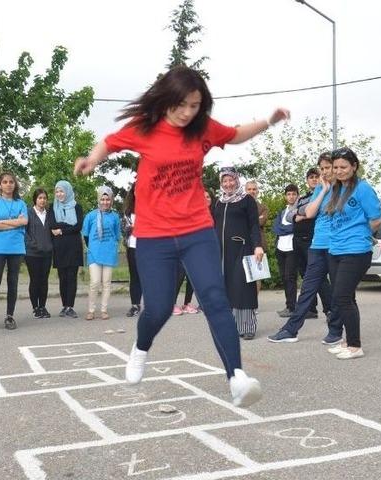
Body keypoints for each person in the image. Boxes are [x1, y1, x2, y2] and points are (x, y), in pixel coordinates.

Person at [74, 65, 289, 407]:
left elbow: (234, 133)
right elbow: (110, 143)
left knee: (215, 298)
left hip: (196, 229)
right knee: (157, 308)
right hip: (155, 235)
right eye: (183, 105)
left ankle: (236, 376)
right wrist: (91, 159)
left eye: (195, 105)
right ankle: (141, 348)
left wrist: (268, 121)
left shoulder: (201, 129)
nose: (189, 112)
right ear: (168, 99)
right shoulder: (145, 127)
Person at [267, 154, 346, 347]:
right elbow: (310, 211)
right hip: (317, 245)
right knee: (308, 288)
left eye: (329, 168)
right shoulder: (321, 188)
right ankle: (290, 329)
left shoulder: (345, 189)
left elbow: (311, 212)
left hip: (336, 245)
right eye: (323, 169)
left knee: (337, 291)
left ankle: (335, 331)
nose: (326, 172)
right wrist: (322, 190)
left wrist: (302, 211)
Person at [322, 148, 381, 359]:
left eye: (343, 167)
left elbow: (376, 219)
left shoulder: (363, 188)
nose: (339, 171)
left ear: (354, 166)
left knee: (341, 296)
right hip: (335, 249)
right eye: (336, 167)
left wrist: (363, 234)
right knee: (345, 297)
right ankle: (348, 340)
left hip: (356, 250)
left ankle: (355, 346)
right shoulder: (334, 190)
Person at [213, 167, 263, 340]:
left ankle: (247, 327)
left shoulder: (246, 200)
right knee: (225, 287)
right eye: (224, 181)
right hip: (221, 252)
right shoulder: (218, 202)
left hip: (242, 249)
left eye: (231, 180)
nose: (228, 184)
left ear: (237, 180)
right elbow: (213, 226)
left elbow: (254, 225)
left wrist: (257, 246)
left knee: (243, 288)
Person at [0, 172, 28, 330]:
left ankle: (10, 316)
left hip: (16, 248)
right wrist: (15, 223)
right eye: (5, 182)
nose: (8, 184)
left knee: (13, 282)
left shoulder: (21, 203)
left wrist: (2, 221)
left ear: (15, 184)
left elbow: (25, 221)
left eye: (11, 182)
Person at [292, 167, 331, 319]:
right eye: (311, 177)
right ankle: (311, 309)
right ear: (307, 180)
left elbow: (308, 212)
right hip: (298, 241)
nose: (314, 179)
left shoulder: (325, 194)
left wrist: (302, 213)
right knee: (305, 276)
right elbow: (293, 215)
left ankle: (329, 310)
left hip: (314, 241)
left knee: (319, 277)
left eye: (316, 176)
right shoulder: (303, 198)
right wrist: (300, 212)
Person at [81, 186, 121, 320]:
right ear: (99, 200)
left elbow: (117, 235)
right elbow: (85, 235)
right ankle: (91, 310)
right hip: (94, 253)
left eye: (107, 199)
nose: (105, 202)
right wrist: (92, 247)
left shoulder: (115, 217)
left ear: (111, 201)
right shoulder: (91, 216)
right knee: (95, 282)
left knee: (106, 283)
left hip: (109, 253)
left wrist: (112, 247)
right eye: (102, 199)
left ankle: (103, 310)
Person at [51, 180, 83, 319]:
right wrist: (66, 227)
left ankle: (70, 306)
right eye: (57, 191)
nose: (59, 194)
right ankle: (64, 306)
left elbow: (78, 227)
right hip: (59, 247)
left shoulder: (77, 207)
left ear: (68, 191)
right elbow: (52, 226)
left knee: (72, 277)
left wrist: (62, 229)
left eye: (62, 191)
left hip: (74, 247)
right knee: (63, 278)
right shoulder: (52, 208)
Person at [25, 187, 54, 319]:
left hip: (47, 253)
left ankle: (42, 306)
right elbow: (24, 233)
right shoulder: (28, 213)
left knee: (44, 280)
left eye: (44, 198)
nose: (42, 200)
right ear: (35, 200)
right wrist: (34, 245)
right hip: (32, 253)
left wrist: (50, 246)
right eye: (40, 198)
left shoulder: (49, 214)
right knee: (35, 280)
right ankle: (35, 307)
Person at [272, 184, 300, 317]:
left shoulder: (299, 210)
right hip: (280, 248)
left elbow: (296, 228)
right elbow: (275, 229)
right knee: (284, 278)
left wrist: (284, 228)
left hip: (292, 249)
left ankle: (292, 307)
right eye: (289, 194)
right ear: (285, 196)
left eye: (294, 194)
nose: (291, 196)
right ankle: (288, 306)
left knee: (290, 278)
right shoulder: (282, 212)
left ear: (297, 196)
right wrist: (285, 228)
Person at [122, 185, 141, 317]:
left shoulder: (150, 208)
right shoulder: (128, 211)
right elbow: (125, 229)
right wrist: (134, 228)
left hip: (148, 248)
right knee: (134, 277)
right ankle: (135, 305)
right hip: (133, 247)